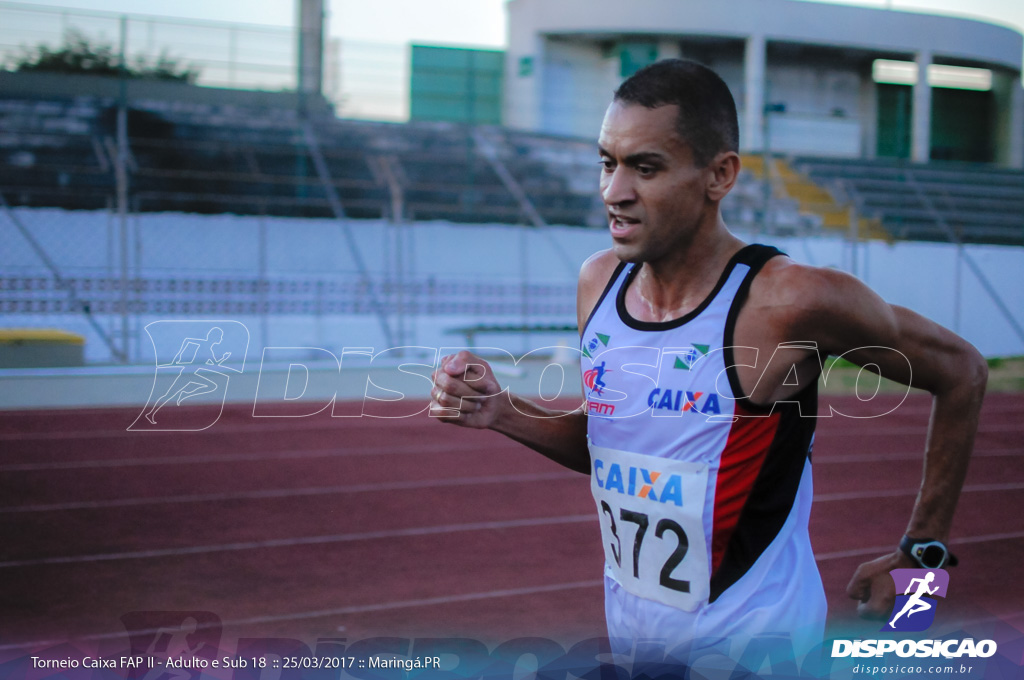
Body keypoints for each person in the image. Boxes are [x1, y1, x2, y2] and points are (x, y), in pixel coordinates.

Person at [429, 59, 986, 667]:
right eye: (607, 163)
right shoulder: (599, 283)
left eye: (646, 168)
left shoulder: (788, 303)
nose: (615, 192)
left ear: (719, 175)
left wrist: (922, 560)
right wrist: (503, 412)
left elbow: (960, 370)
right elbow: (613, 441)